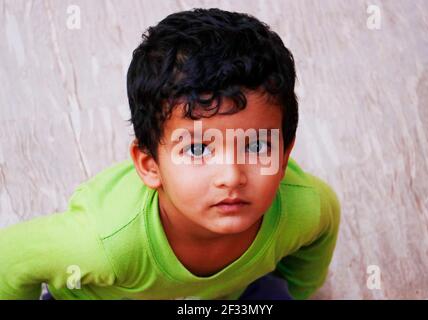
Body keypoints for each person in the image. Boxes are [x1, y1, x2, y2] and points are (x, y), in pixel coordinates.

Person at [0, 8, 340, 300]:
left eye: (255, 146)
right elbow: (9, 259)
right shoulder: (103, 243)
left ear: (284, 155)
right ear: (150, 165)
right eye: (196, 149)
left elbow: (319, 237)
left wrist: (297, 288)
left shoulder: (304, 209)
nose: (232, 176)